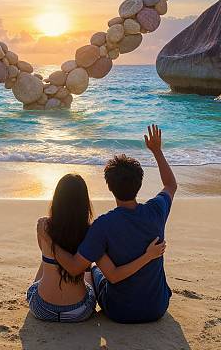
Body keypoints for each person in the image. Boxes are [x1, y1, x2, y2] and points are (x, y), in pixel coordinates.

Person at [38, 124, 176, 323]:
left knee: (93, 269)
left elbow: (76, 268)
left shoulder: (102, 225)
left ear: (110, 187)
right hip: (157, 308)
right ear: (139, 184)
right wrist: (157, 151)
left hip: (120, 311)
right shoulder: (156, 210)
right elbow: (170, 185)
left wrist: (50, 241)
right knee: (97, 260)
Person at [28, 172, 166, 323]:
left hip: (42, 309)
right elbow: (111, 274)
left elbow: (45, 251)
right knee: (90, 266)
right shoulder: (91, 231)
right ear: (84, 202)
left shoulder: (44, 226)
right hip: (78, 311)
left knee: (47, 260)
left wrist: (49, 240)